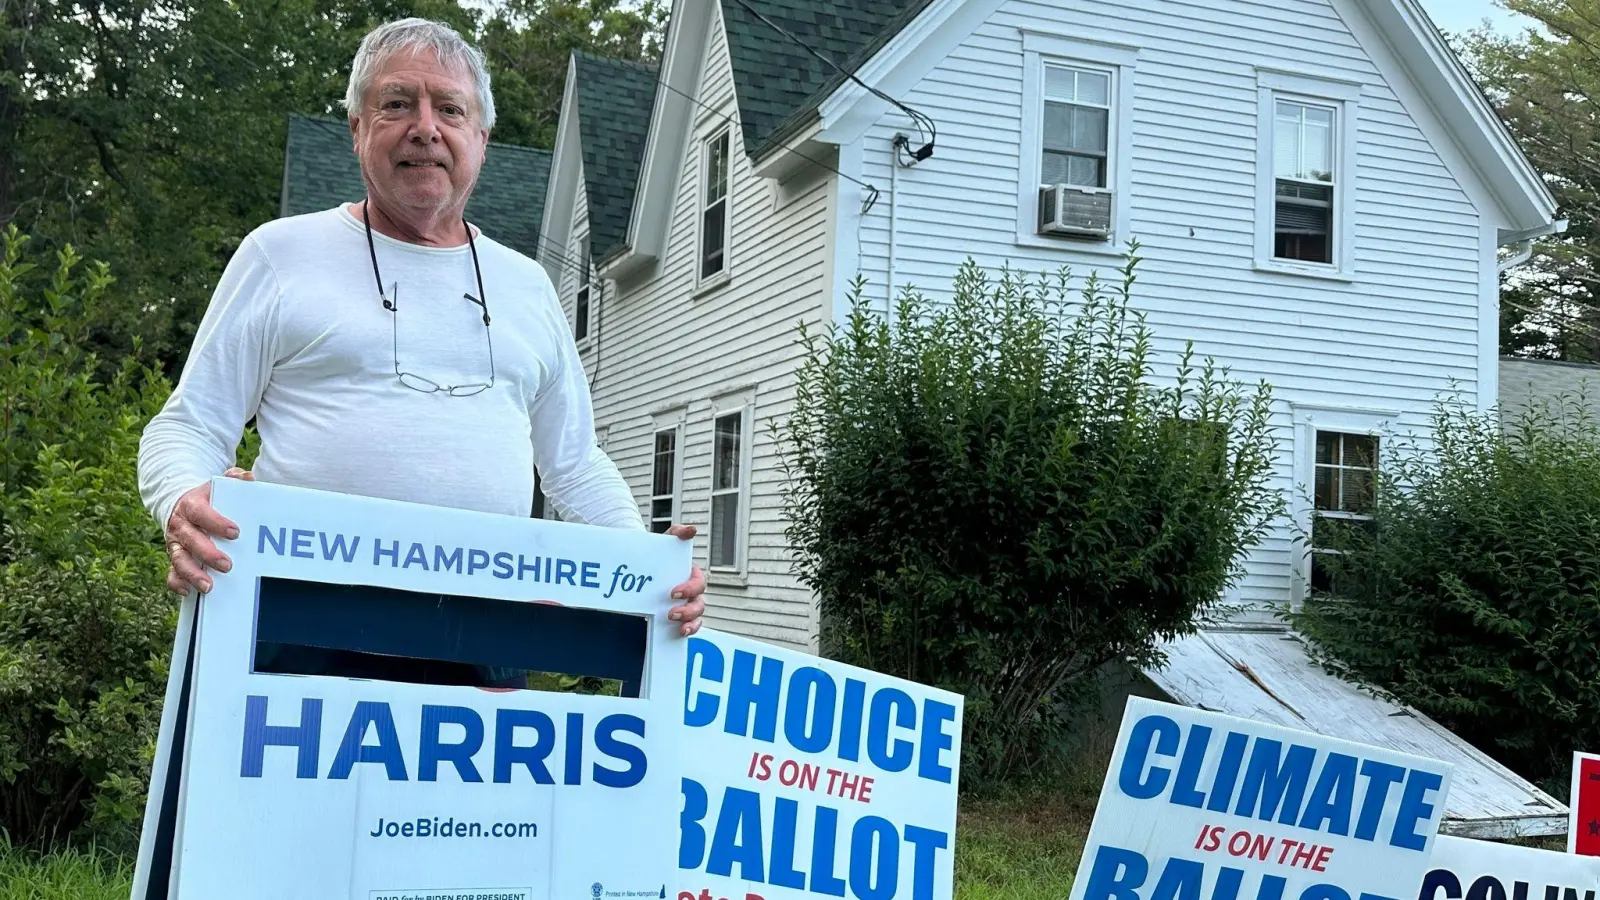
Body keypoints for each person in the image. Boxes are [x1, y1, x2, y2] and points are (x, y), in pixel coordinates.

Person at [136, 17, 706, 685]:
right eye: (398, 104)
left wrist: (649, 569)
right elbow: (189, 427)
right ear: (357, 128)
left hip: (485, 640)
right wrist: (184, 503)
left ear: (481, 141)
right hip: (297, 634)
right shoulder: (280, 256)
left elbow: (574, 465)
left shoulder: (528, 286)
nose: (426, 128)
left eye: (450, 109)